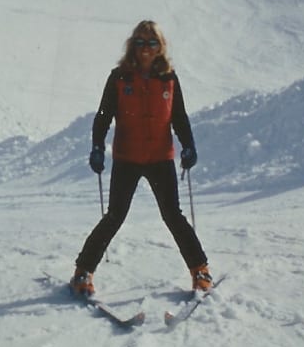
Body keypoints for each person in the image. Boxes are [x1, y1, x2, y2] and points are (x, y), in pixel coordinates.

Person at [70, 20, 212, 297]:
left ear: (160, 47)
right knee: (114, 216)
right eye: (140, 43)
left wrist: (189, 145)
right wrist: (97, 147)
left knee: (173, 215)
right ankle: (83, 272)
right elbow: (103, 116)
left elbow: (179, 117)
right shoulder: (119, 77)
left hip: (160, 157)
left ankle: (200, 270)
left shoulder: (169, 78)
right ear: (132, 46)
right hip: (128, 157)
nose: (146, 49)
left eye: (152, 43)